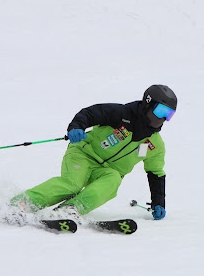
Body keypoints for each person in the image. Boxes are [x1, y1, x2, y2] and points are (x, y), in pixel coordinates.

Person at [10, 84, 177, 222]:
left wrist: (158, 202)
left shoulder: (154, 144)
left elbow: (155, 173)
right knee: (72, 184)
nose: (162, 118)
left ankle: (70, 210)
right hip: (84, 155)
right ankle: (22, 204)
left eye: (168, 115)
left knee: (113, 182)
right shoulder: (121, 114)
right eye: (160, 111)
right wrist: (76, 127)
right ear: (147, 104)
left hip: (108, 171)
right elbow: (90, 113)